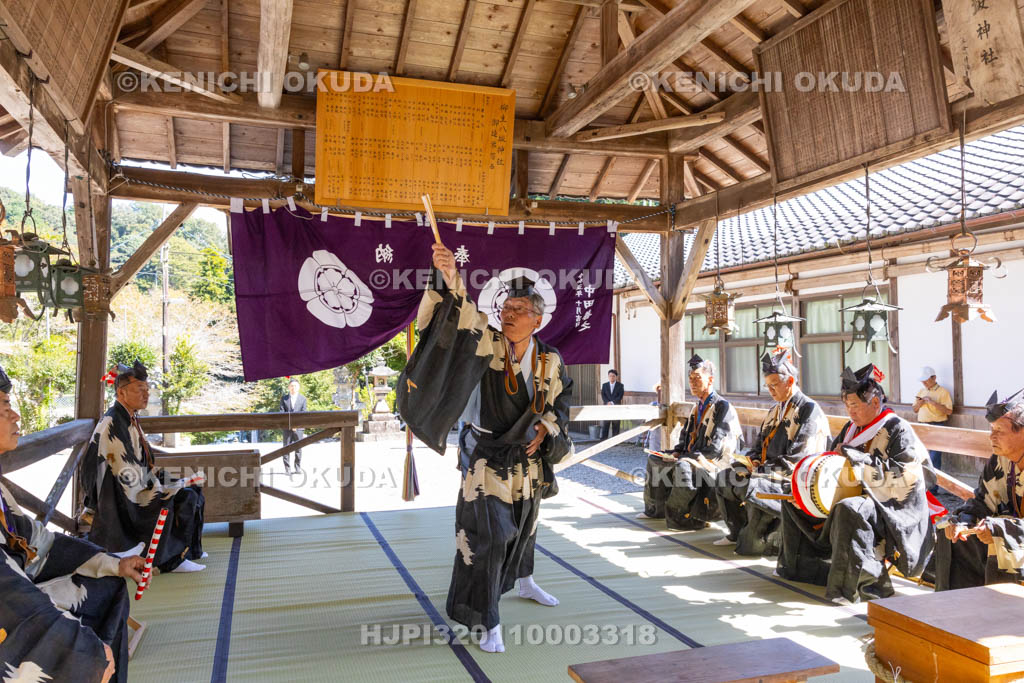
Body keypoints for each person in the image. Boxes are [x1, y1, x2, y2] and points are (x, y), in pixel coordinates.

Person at [397, 244, 573, 654]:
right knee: (490, 536)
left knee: (526, 525)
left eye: (518, 310)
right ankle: (486, 616)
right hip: (486, 458)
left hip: (527, 458)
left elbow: (561, 406)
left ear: (538, 320)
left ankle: (525, 580)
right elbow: (459, 313)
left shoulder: (551, 359)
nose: (507, 315)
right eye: (505, 308)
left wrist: (546, 430)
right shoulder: (487, 342)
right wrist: (448, 275)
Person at [0, 363, 145, 683]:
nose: (15, 416)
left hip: (17, 595)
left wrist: (110, 563)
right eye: (4, 407)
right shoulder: (111, 421)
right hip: (7, 617)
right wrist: (76, 648)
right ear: (121, 393)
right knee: (78, 652)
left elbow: (37, 540)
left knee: (108, 588)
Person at [776, 364, 932, 604]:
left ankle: (862, 586)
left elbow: (903, 478)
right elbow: (829, 462)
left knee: (850, 509)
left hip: (889, 505)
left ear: (876, 404)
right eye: (847, 405)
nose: (850, 411)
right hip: (850, 494)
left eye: (855, 405)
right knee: (794, 499)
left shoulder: (897, 429)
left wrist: (857, 458)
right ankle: (807, 569)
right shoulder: (851, 428)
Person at [80, 361, 207, 574]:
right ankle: (168, 561)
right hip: (115, 494)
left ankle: (189, 550)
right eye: (140, 390)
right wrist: (161, 487)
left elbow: (139, 463)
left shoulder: (128, 417)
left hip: (129, 482)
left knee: (192, 491)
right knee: (174, 497)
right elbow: (124, 471)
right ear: (121, 393)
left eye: (147, 390)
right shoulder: (112, 422)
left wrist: (170, 481)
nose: (146, 395)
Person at [714, 349, 831, 555]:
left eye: (774, 384)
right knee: (726, 476)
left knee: (751, 483)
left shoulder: (808, 409)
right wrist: (751, 461)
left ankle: (758, 542)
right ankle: (737, 532)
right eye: (767, 386)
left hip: (794, 477)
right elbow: (759, 445)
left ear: (791, 380)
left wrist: (761, 469)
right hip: (768, 469)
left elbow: (800, 457)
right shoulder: (775, 410)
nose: (771, 390)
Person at [934, 389, 1024, 590]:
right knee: (955, 538)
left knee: (998, 540)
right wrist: (964, 522)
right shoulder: (999, 460)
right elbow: (982, 501)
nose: (992, 436)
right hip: (1013, 532)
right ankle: (957, 610)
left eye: (999, 430)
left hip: (1018, 539)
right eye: (991, 429)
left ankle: (1000, 613)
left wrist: (997, 529)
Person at [639, 354, 742, 530]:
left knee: (683, 467)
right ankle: (656, 510)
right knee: (656, 459)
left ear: (710, 380)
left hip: (714, 462)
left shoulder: (722, 407)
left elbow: (716, 449)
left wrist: (685, 457)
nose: (693, 382)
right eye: (690, 378)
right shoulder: (698, 407)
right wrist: (677, 451)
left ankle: (684, 517)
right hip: (694, 455)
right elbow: (685, 437)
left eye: (697, 378)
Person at [912, 366, 953, 493]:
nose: (924, 383)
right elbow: (915, 409)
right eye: (922, 381)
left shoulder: (943, 392)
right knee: (921, 456)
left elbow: (949, 411)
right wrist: (920, 403)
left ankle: (933, 488)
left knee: (934, 457)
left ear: (934, 378)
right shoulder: (921, 391)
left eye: (926, 380)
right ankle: (922, 486)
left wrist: (933, 403)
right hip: (922, 426)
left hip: (937, 426)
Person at [280, 378, 307, 475]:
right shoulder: (284, 399)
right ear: (288, 387)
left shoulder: (303, 399)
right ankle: (287, 469)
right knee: (286, 448)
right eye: (291, 386)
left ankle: (297, 468)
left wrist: (296, 425)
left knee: (298, 449)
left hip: (299, 428)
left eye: (295, 386)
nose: (293, 388)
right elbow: (282, 413)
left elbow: (303, 414)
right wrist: (290, 425)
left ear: (298, 387)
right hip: (287, 428)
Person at [600, 370, 624, 440]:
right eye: (610, 376)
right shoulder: (604, 385)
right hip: (607, 407)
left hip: (616, 407)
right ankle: (604, 439)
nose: (612, 377)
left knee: (616, 424)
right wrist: (607, 402)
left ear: (616, 377)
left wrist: (612, 402)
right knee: (606, 423)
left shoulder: (620, 386)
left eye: (613, 376)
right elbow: (603, 395)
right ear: (608, 376)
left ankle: (615, 440)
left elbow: (620, 396)